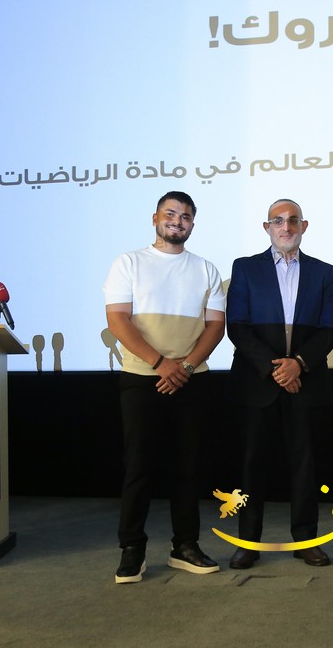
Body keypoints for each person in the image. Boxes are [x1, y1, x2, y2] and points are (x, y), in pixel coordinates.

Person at [103, 191, 226, 583]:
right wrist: (161, 364)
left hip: (192, 380)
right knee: (139, 467)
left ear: (193, 224)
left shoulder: (205, 268)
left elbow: (216, 325)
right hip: (142, 378)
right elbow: (118, 320)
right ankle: (132, 550)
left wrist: (184, 366)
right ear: (155, 218)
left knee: (187, 467)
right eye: (170, 213)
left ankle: (185, 546)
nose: (178, 221)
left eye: (186, 216)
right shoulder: (128, 262)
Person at [225, 199, 333, 569]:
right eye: (278, 221)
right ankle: (247, 542)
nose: (286, 227)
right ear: (267, 227)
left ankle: (306, 540)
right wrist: (277, 369)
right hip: (257, 382)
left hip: (306, 382)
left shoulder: (324, 272)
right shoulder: (245, 268)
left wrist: (298, 365)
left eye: (293, 221)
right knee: (251, 465)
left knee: (305, 465)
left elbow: (329, 329)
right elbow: (237, 326)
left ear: (303, 226)